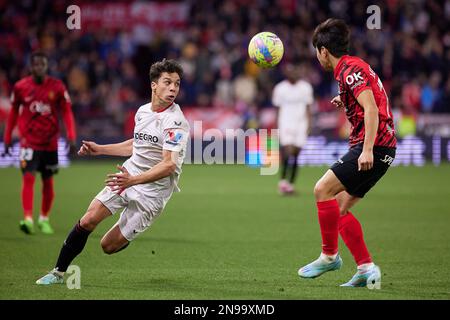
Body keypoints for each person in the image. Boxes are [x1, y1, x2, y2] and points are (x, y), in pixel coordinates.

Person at [36, 59, 190, 285]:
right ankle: (58, 272)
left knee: (107, 246)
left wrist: (133, 181)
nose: (173, 88)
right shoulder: (142, 112)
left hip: (152, 194)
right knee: (88, 219)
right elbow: (136, 145)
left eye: (177, 84)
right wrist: (101, 149)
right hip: (127, 176)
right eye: (167, 82)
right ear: (153, 85)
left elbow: (169, 165)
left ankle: (127, 226)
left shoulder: (176, 121)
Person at [297, 19, 396, 288]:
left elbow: (372, 108)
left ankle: (329, 256)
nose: (318, 57)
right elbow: (369, 95)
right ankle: (365, 268)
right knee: (338, 208)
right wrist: (346, 99)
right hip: (384, 148)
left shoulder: (349, 71)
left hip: (373, 146)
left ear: (324, 51)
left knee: (321, 190)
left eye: (317, 52)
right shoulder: (352, 68)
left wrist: (366, 150)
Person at [3, 51, 77, 235]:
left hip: (50, 143)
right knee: (28, 178)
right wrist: (7, 138)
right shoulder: (20, 87)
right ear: (31, 67)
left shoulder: (57, 87)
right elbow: (13, 113)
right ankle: (27, 218)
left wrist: (71, 135)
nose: (39, 67)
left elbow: (67, 112)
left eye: (42, 64)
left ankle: (44, 218)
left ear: (46, 66)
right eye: (35, 64)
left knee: (48, 181)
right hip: (28, 142)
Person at [272, 63, 313, 195]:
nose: (293, 74)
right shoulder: (280, 88)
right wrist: (277, 125)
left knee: (296, 154)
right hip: (286, 122)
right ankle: (283, 181)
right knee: (288, 151)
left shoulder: (306, 88)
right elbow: (277, 109)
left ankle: (290, 184)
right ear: (286, 74)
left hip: (301, 123)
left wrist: (309, 124)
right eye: (290, 72)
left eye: (295, 71)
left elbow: (308, 108)